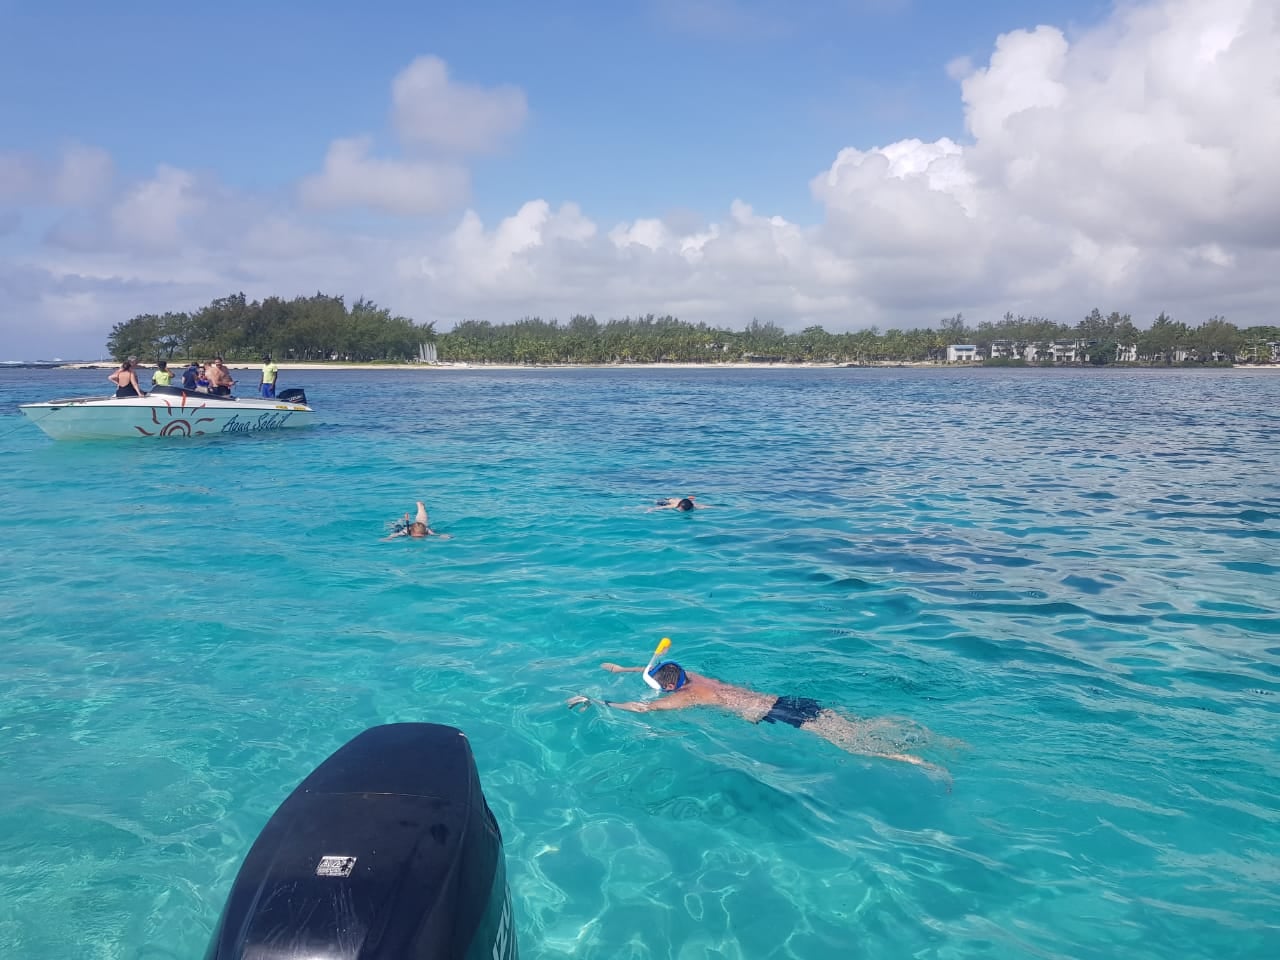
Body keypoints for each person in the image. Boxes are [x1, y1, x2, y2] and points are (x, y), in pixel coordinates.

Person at [567, 657, 948, 780]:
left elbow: (643, 708)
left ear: (668, 687)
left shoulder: (685, 697)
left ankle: (918, 761)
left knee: (848, 743)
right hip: (784, 699)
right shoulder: (694, 677)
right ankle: (936, 739)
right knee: (854, 725)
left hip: (773, 714)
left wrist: (599, 701)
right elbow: (653, 670)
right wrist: (623, 669)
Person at [382, 502, 451, 541]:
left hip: (421, 526)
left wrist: (443, 535)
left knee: (423, 522)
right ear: (411, 533)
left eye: (420, 537)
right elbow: (394, 535)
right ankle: (421, 508)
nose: (418, 538)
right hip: (406, 527)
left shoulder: (427, 530)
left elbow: (435, 534)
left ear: (424, 533)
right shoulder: (406, 531)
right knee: (395, 526)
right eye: (416, 537)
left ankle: (421, 508)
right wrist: (389, 538)